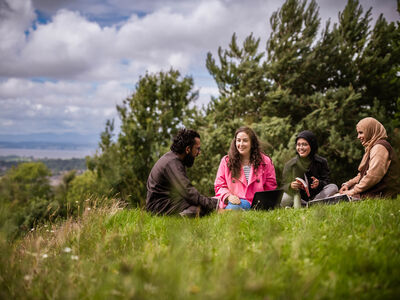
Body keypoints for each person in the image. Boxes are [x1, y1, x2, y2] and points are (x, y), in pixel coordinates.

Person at [146, 128, 218, 217]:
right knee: (200, 209)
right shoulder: (172, 163)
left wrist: (213, 201)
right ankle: (179, 218)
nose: (199, 153)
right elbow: (189, 192)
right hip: (158, 208)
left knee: (203, 204)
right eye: (197, 149)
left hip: (171, 201)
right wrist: (216, 204)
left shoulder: (175, 159)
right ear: (187, 149)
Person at [214, 126, 277, 210]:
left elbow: (270, 186)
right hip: (234, 202)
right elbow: (219, 185)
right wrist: (228, 196)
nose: (241, 144)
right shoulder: (226, 161)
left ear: (252, 143)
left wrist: (263, 203)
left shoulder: (265, 161)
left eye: (245, 141)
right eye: (238, 140)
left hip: (256, 204)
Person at [339, 117, 400, 198]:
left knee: (337, 199)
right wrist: (348, 184)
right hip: (375, 191)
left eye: (361, 132)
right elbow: (362, 175)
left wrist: (352, 191)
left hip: (382, 194)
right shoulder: (373, 147)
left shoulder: (379, 147)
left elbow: (372, 176)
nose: (358, 137)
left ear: (371, 131)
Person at [281, 130, 338, 207]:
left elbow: (327, 181)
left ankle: (312, 204)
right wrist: (290, 185)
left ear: (312, 145)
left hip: (317, 196)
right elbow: (283, 186)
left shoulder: (321, 162)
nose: (301, 148)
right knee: (285, 198)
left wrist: (319, 183)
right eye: (298, 145)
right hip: (299, 198)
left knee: (333, 187)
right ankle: (310, 204)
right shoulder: (290, 165)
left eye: (304, 144)